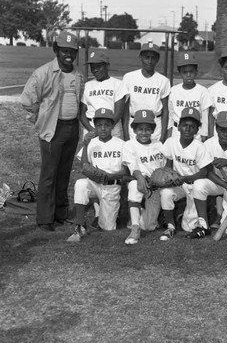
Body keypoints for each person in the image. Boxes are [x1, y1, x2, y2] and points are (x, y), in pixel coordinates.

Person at [20, 30, 84, 231]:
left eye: (72, 51)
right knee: (49, 174)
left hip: (72, 128)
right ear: (56, 50)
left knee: (64, 173)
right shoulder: (43, 72)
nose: (68, 55)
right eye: (64, 50)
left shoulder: (78, 75)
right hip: (52, 130)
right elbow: (27, 101)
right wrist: (40, 120)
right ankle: (45, 219)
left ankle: (60, 213)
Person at [67, 108, 128, 241]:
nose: (103, 128)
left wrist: (110, 176)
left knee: (107, 228)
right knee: (81, 184)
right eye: (99, 125)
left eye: (106, 125)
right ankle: (79, 225)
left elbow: (126, 171)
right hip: (94, 183)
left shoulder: (121, 144)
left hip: (111, 186)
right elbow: (84, 165)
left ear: (112, 126)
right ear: (95, 126)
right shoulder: (91, 142)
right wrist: (85, 145)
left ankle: (102, 209)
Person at [159, 107, 213, 240]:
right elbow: (169, 165)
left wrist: (185, 178)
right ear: (178, 127)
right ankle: (170, 227)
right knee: (165, 193)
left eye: (192, 126)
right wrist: (170, 176)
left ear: (196, 130)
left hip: (195, 186)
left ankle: (202, 214)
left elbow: (205, 172)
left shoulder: (200, 146)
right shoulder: (171, 142)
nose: (187, 129)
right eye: (184, 125)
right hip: (180, 184)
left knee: (188, 227)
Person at [122, 109, 168, 245]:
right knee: (134, 186)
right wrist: (141, 178)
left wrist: (160, 180)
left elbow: (164, 168)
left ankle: (139, 213)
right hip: (140, 181)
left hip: (155, 186)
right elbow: (133, 168)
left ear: (153, 130)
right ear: (134, 129)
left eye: (147, 129)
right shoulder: (129, 145)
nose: (144, 132)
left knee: (148, 226)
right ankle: (135, 229)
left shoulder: (158, 145)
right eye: (140, 129)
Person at [122, 42, 170, 143]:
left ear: (157, 60)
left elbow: (165, 110)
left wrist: (163, 136)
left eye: (153, 58)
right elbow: (125, 108)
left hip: (155, 125)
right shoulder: (129, 77)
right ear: (141, 57)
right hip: (134, 124)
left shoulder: (163, 80)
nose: (150, 61)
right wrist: (126, 134)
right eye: (146, 57)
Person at [80, 49, 126, 139]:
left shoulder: (117, 84)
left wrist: (105, 129)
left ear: (107, 66)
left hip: (112, 129)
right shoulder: (88, 85)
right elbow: (82, 114)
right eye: (92, 67)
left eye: (99, 66)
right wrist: (92, 129)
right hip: (91, 128)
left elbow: (119, 112)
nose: (95, 70)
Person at [167, 51, 212, 142]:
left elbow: (205, 116)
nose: (188, 75)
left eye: (191, 71)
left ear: (196, 72)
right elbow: (171, 115)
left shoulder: (203, 91)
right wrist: (169, 135)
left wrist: (204, 135)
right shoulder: (173, 90)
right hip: (177, 132)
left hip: (196, 133)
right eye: (185, 72)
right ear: (180, 73)